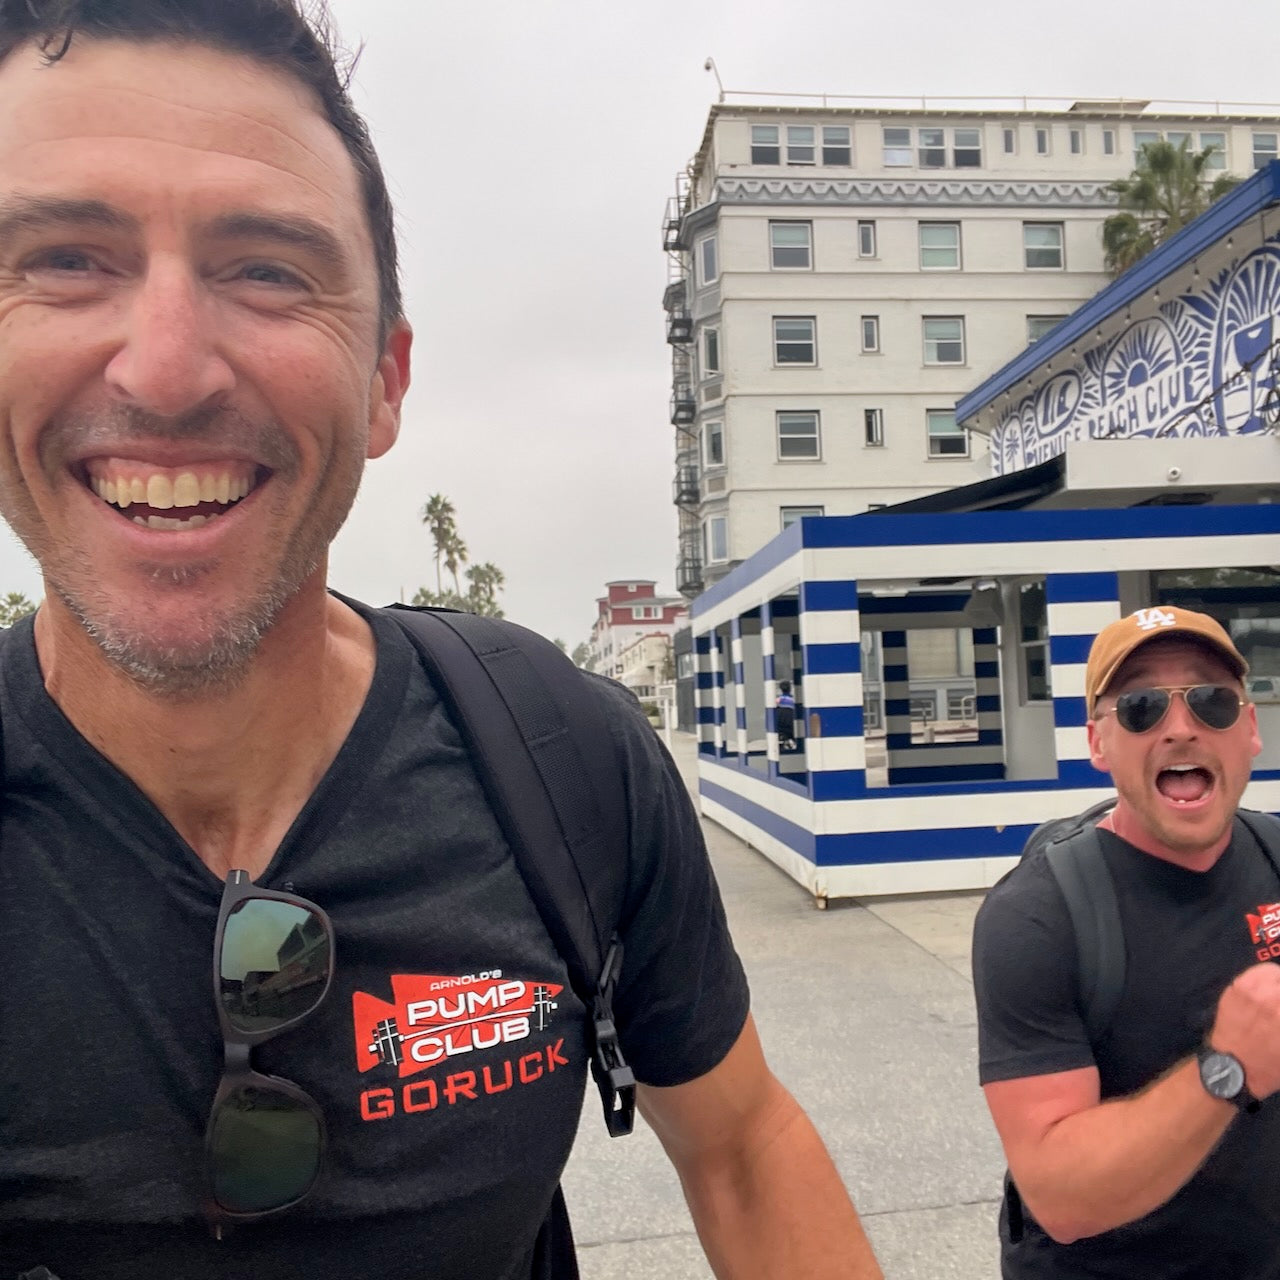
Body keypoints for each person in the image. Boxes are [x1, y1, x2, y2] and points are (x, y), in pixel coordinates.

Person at [0, 4, 888, 1278]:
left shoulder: (558, 755)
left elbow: (742, 1144)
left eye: (266, 268)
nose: (167, 367)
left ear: (385, 381)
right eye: (68, 258)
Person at [972, 605, 1280, 1278]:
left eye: (1211, 703)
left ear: (1249, 728)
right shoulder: (1037, 915)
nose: (1180, 728)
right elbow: (1060, 1196)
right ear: (1097, 742)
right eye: (1140, 707)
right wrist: (1226, 1068)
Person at [775, 679, 797, 752]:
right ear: (790, 688)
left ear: (780, 689)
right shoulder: (793, 701)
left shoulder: (778, 700)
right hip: (791, 726)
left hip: (780, 726)